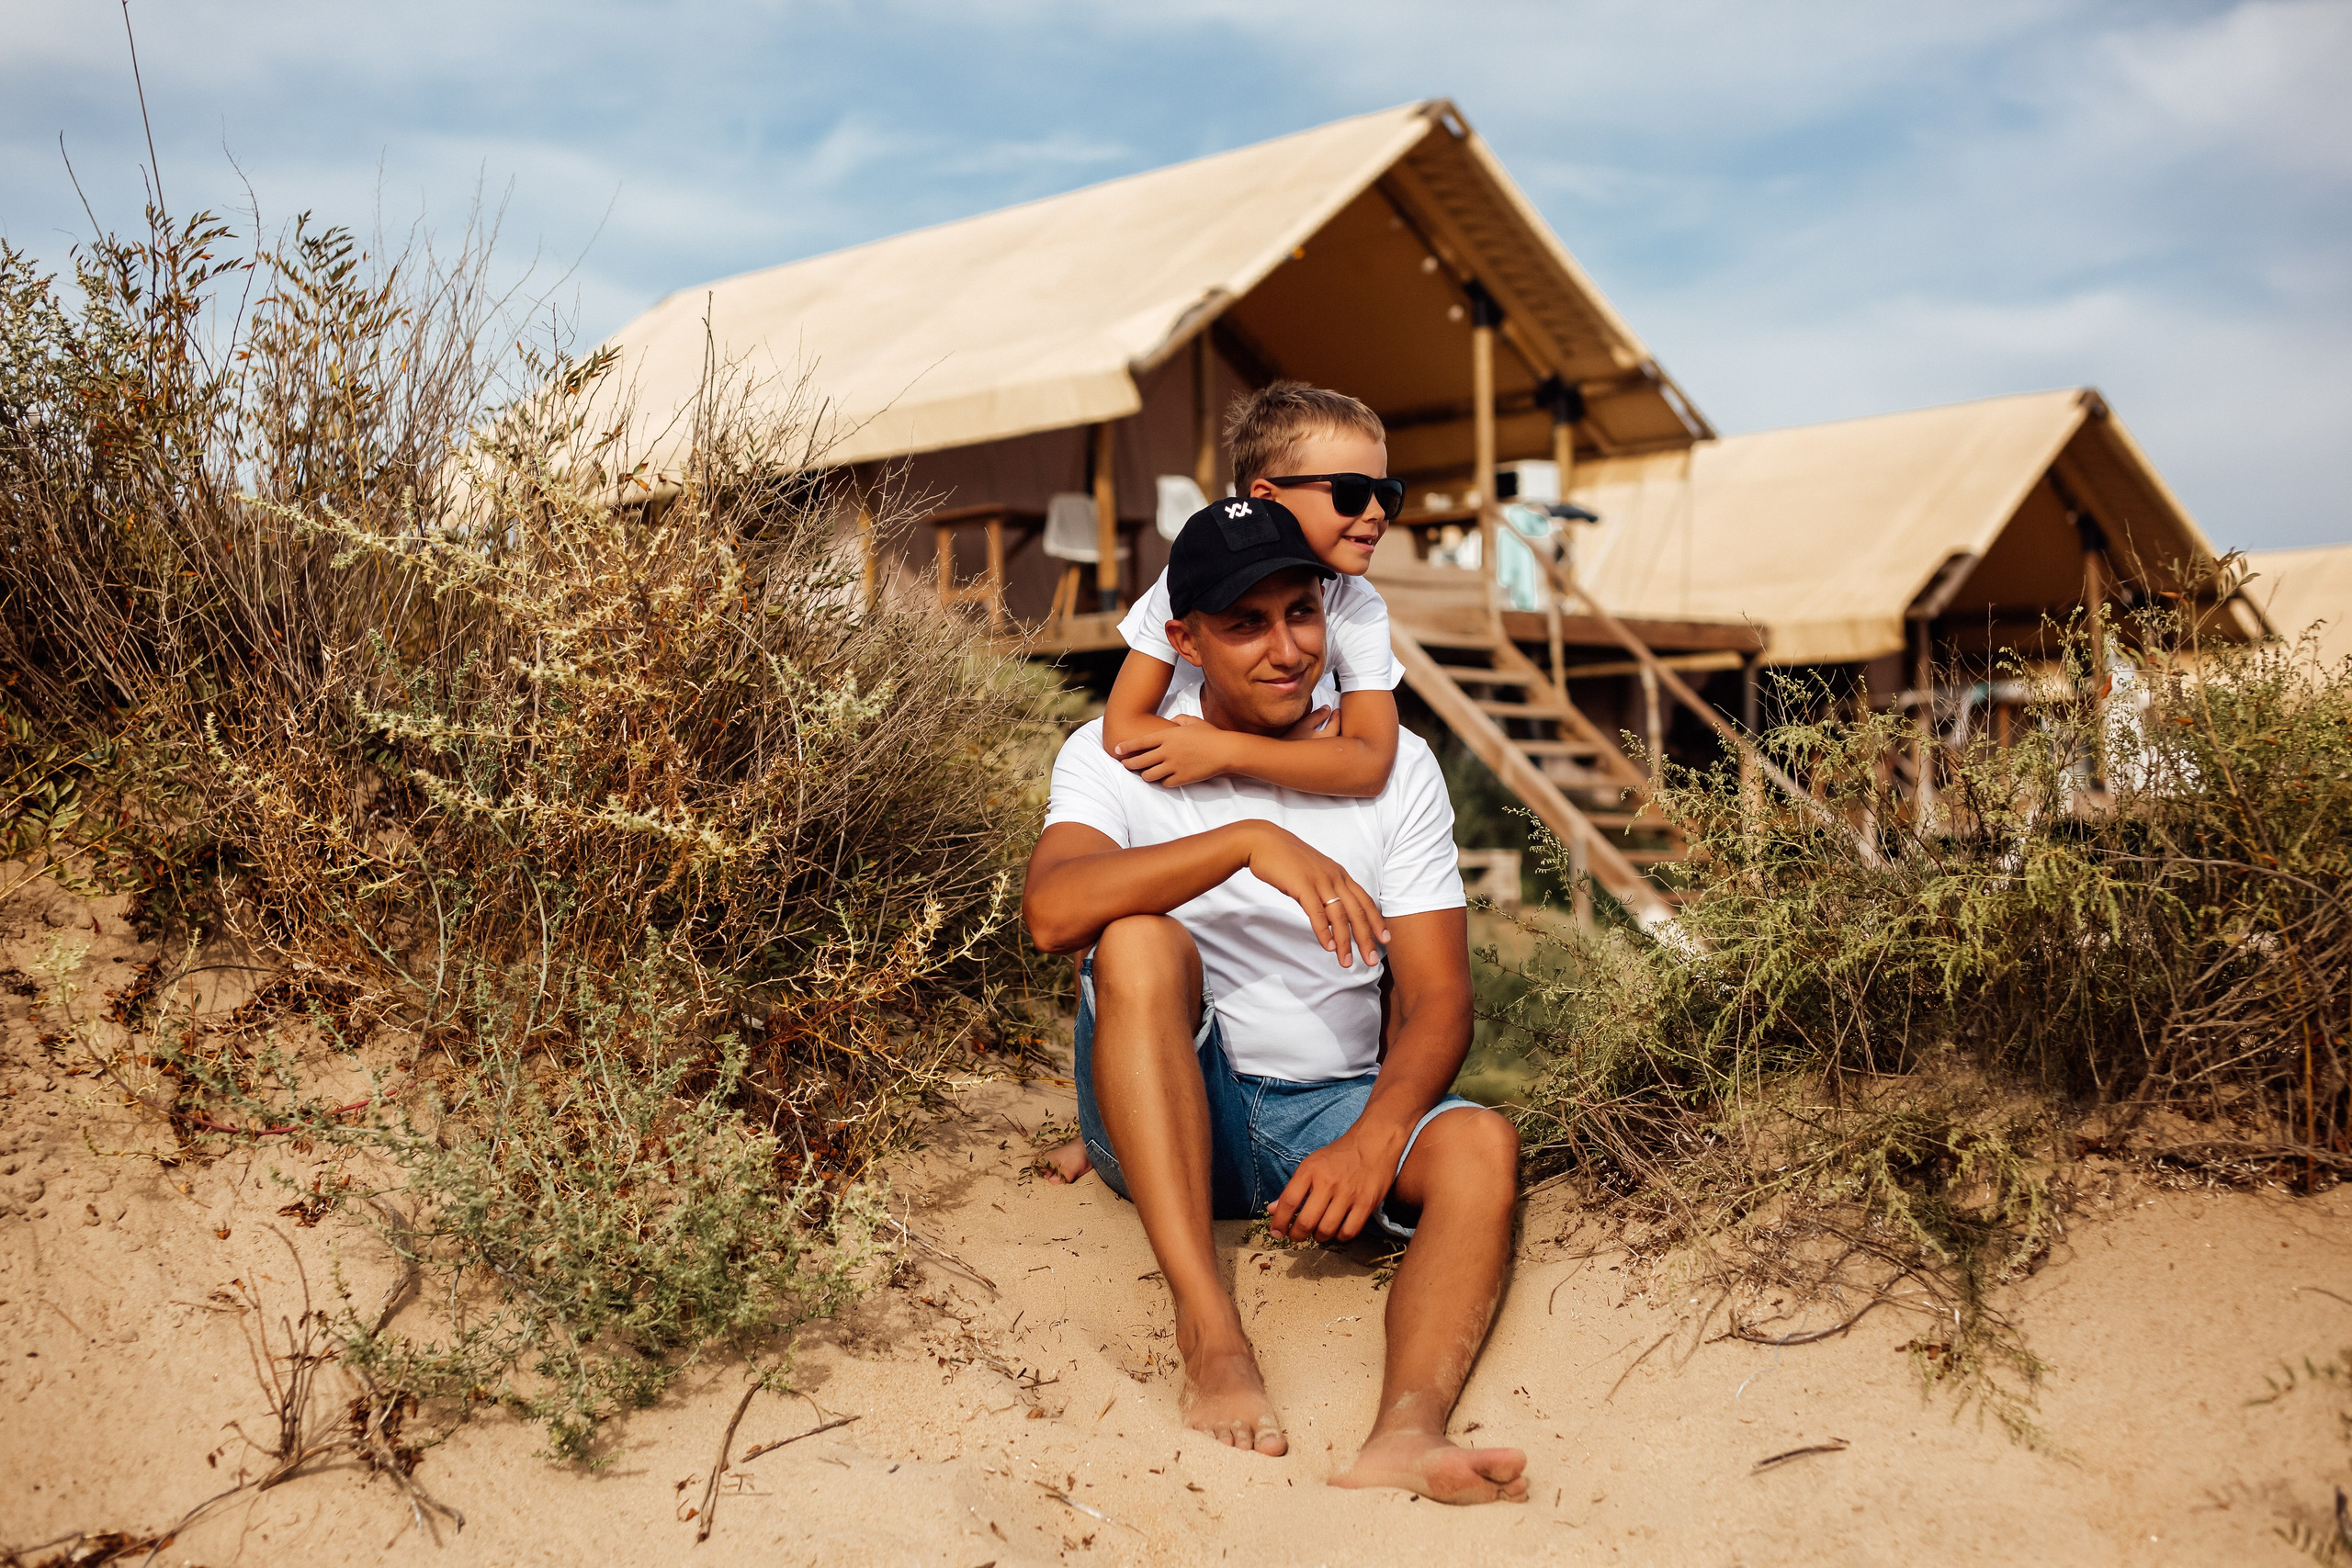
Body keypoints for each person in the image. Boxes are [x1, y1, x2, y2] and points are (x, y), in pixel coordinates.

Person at [1021, 498, 1529, 1506]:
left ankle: (1405, 1437)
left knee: (1482, 1145)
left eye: (1301, 613)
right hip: (1173, 1110)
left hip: (1322, 1111)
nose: (1286, 649)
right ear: (1186, 640)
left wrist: (1375, 1138)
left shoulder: (1393, 769)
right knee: (1138, 940)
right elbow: (1052, 912)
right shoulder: (1117, 755)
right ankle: (1211, 1333)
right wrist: (1247, 841)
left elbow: (1437, 1000)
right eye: (1245, 624)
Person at [1102, 381, 1405, 799]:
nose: (1375, 513)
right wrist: (1271, 753)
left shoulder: (1357, 604)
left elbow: (1371, 765)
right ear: (1268, 498)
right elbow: (1123, 727)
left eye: (1387, 495)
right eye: (1350, 493)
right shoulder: (1192, 576)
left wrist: (1233, 754)